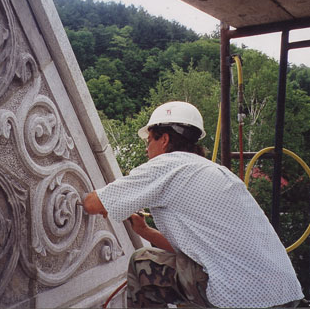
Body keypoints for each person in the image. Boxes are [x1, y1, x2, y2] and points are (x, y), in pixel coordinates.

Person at [82, 101, 304, 308]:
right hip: (284, 294)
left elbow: (93, 204)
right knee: (188, 275)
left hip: (239, 297)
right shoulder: (214, 171)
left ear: (165, 140)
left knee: (143, 262)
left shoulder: (166, 165)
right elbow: (195, 252)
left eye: (149, 141)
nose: (146, 149)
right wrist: (144, 231)